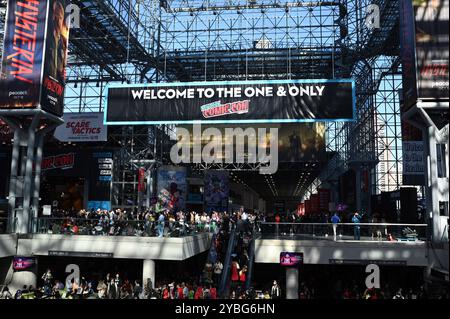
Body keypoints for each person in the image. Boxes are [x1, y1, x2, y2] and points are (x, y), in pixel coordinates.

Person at [46, 0, 68, 83]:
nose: (57, 20)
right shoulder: (46, 35)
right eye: (56, 16)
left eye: (60, 18)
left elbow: (63, 65)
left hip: (55, 83)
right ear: (52, 16)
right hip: (44, 79)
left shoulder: (63, 42)